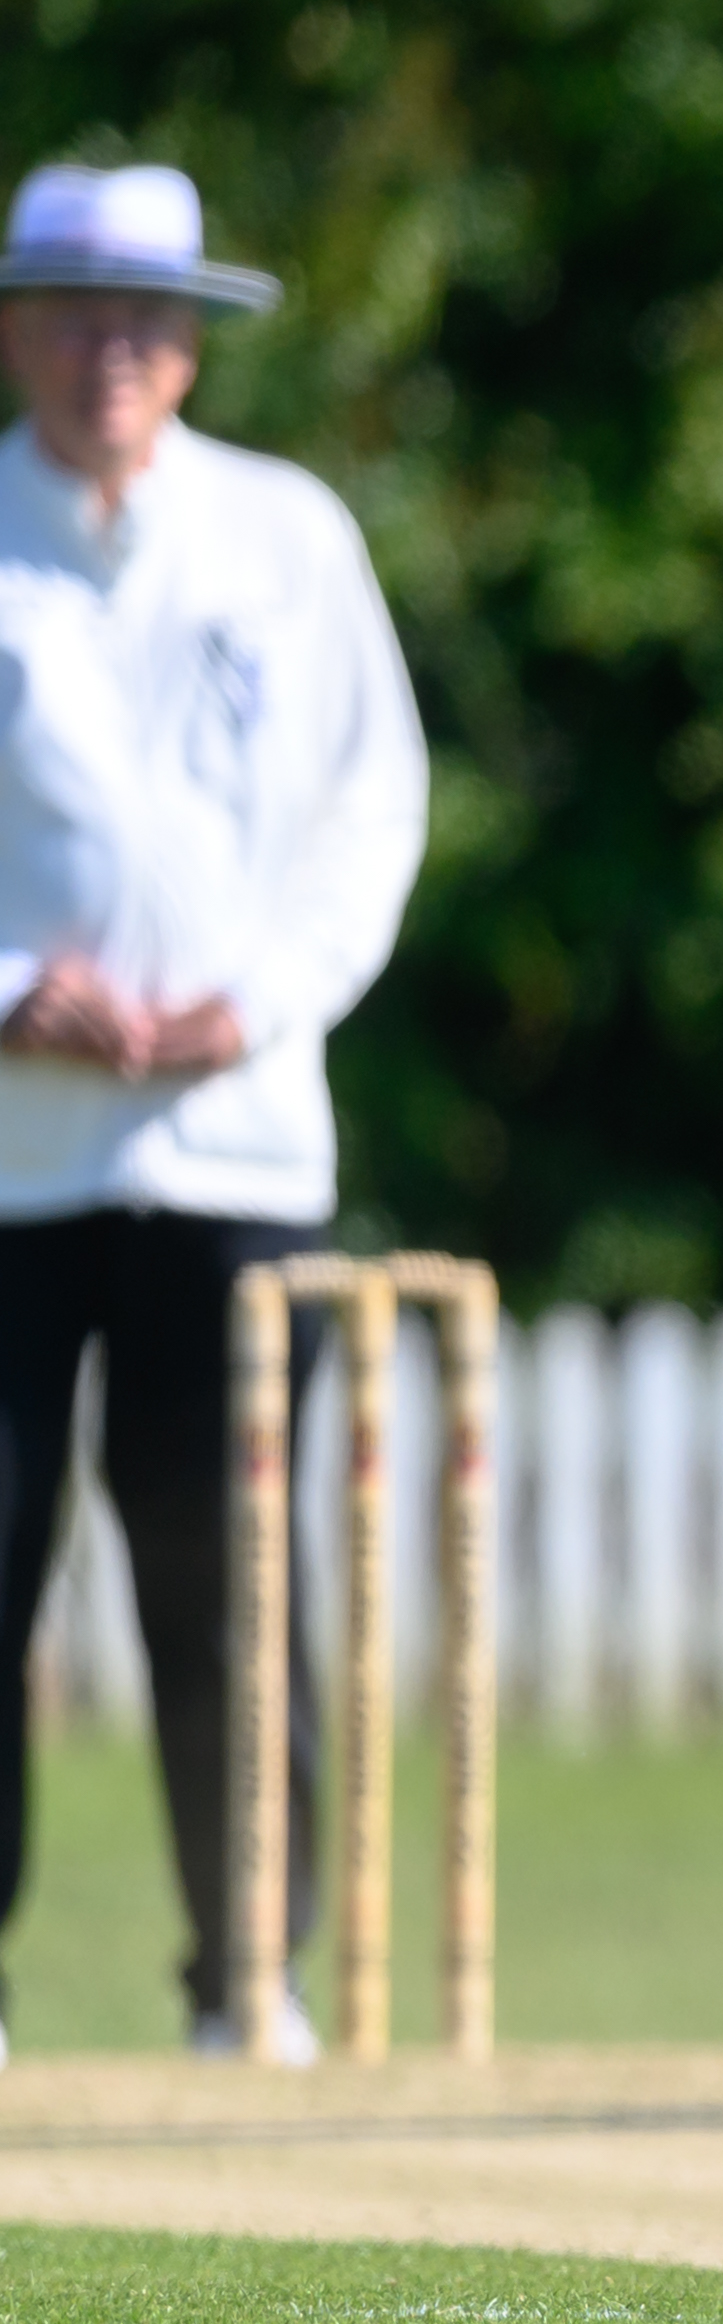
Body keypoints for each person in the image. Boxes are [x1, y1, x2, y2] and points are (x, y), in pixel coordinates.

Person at [0, 162, 430, 2073]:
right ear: (16, 326)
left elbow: (373, 813)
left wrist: (245, 1004)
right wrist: (10, 996)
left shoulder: (288, 534)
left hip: (236, 1152)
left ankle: (246, 1979)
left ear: (193, 346)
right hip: (8, 1153)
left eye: (145, 321)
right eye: (76, 313)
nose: (113, 351)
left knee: (221, 1573)